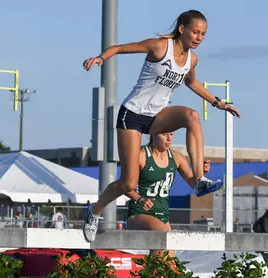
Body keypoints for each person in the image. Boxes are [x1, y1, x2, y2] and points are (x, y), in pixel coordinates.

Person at [82, 9, 240, 242]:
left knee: (192, 116)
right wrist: (101, 58)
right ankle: (95, 211)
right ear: (182, 29)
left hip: (157, 117)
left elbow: (192, 82)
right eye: (195, 32)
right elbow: (120, 48)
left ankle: (199, 181)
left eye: (204, 34)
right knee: (128, 182)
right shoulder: (159, 47)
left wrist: (218, 103)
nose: (199, 38)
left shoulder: (191, 59)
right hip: (133, 115)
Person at [123, 131, 211, 258]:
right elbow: (123, 185)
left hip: (163, 216)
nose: (169, 138)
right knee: (164, 237)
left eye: (172, 134)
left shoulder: (176, 158)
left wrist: (201, 174)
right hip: (139, 214)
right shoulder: (141, 156)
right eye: (164, 134)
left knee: (170, 260)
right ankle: (154, 276)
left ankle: (158, 277)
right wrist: (140, 199)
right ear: (153, 134)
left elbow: (195, 184)